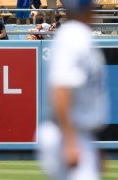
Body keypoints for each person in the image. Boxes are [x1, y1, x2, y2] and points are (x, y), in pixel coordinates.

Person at [38, 0, 109, 180]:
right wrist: (70, 141)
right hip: (67, 134)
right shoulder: (72, 37)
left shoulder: (78, 35)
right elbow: (61, 89)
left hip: (76, 134)